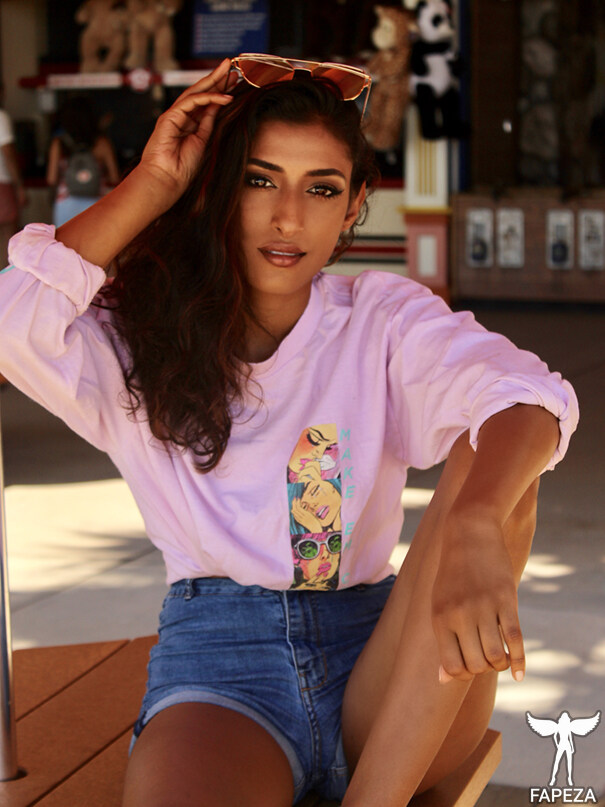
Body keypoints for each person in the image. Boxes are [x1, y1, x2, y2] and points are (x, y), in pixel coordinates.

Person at [0, 56, 578, 807]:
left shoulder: (380, 320)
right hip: (221, 672)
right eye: (258, 180)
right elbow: (12, 324)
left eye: (322, 188)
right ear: (217, 187)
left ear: (354, 204)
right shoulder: (135, 334)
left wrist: (473, 524)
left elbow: (529, 395)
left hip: (390, 672)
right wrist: (155, 181)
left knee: (498, 459)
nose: (288, 218)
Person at [46, 95, 120, 227]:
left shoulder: (59, 143)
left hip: (66, 203)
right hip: (96, 202)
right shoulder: (102, 143)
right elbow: (115, 177)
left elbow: (51, 179)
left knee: (65, 240)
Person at [0, 97, 27, 267]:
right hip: (2, 182)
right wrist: (19, 186)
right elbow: (8, 153)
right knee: (9, 238)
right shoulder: (1, 117)